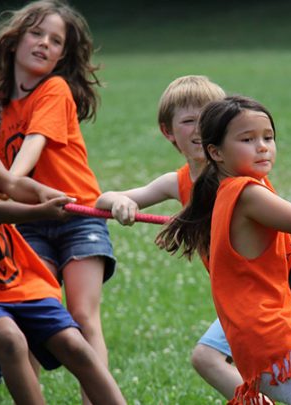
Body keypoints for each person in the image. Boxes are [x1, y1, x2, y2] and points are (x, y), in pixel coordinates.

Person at [0, 83, 127, 405]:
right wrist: (39, 211)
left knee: (75, 345)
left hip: (20, 281)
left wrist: (41, 192)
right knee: (8, 338)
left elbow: (13, 183)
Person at [0, 2, 116, 403]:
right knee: (26, 319)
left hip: (78, 216)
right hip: (27, 220)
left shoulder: (54, 89)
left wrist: (9, 181)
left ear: (63, 55)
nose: (44, 44)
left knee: (82, 317)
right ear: (15, 39)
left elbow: (32, 145)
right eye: (37, 33)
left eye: (55, 40)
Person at [156, 95, 291, 405]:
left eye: (268, 137)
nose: (262, 146)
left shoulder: (252, 186)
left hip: (284, 336)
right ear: (215, 152)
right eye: (248, 139)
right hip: (278, 341)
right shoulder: (245, 194)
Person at [96, 75, 248, 400]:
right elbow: (103, 199)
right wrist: (122, 202)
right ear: (168, 132)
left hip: (270, 291)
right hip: (239, 297)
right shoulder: (176, 182)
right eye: (188, 121)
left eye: (207, 117)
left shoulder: (239, 173)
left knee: (213, 358)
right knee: (214, 360)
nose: (198, 128)